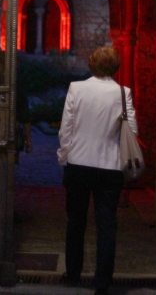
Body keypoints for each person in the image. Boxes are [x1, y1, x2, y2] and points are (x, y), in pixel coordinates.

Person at [56, 46, 137, 293]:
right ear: (115, 67)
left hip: (79, 163)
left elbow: (66, 128)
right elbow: (132, 131)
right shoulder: (123, 93)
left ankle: (73, 274)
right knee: (107, 224)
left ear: (91, 64)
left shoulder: (76, 88)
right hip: (110, 167)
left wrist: (64, 156)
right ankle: (102, 281)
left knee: (76, 221)